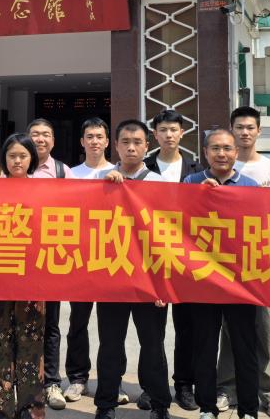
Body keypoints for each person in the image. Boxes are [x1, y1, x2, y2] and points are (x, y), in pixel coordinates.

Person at [94, 120, 171, 419]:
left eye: (137, 142)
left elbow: (167, 236)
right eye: (125, 142)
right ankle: (106, 404)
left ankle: (159, 403)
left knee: (153, 345)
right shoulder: (100, 180)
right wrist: (105, 188)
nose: (131, 147)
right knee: (110, 345)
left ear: (147, 146)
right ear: (115, 145)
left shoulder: (159, 183)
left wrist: (164, 284)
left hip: (148, 278)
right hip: (111, 275)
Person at [217, 106, 270, 418]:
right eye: (239, 127)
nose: (244, 132)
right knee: (228, 329)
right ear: (231, 130)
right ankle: (227, 388)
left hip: (261, 262)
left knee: (266, 327)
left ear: (259, 131)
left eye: (250, 127)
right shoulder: (220, 165)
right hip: (225, 263)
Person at [184, 129, 260, 419]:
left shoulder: (251, 186)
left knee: (245, 347)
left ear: (236, 153)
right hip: (203, 280)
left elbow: (259, 229)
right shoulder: (191, 182)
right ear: (205, 153)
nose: (221, 154)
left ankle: (249, 410)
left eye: (227, 148)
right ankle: (207, 407)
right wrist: (198, 196)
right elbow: (178, 223)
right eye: (215, 148)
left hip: (240, 280)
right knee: (204, 347)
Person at [142, 110, 204, 412]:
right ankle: (150, 387)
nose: (168, 135)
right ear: (155, 135)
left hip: (185, 258)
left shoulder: (197, 169)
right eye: (163, 130)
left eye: (173, 130)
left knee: (186, 327)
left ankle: (184, 385)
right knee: (151, 331)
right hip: (150, 258)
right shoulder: (143, 167)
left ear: (182, 133)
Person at [0, 134, 46, 419]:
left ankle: (30, 407)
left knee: (31, 342)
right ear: (4, 159)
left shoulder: (45, 191)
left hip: (33, 278)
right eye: (12, 156)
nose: (17, 161)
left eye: (23, 155)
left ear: (31, 158)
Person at [64, 118, 111, 404]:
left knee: (111, 327)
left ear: (107, 141)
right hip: (79, 258)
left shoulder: (118, 173)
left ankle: (110, 380)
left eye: (99, 136)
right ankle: (77, 377)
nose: (94, 141)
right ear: (82, 142)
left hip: (110, 258)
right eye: (89, 136)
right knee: (78, 322)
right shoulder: (71, 174)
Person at [27, 118, 68, 409]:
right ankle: (27, 378)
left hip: (51, 257)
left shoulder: (63, 171)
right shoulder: (16, 167)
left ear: (53, 141)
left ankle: (52, 381)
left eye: (46, 134)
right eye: (35, 134)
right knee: (23, 322)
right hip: (17, 255)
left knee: (51, 323)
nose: (40, 139)